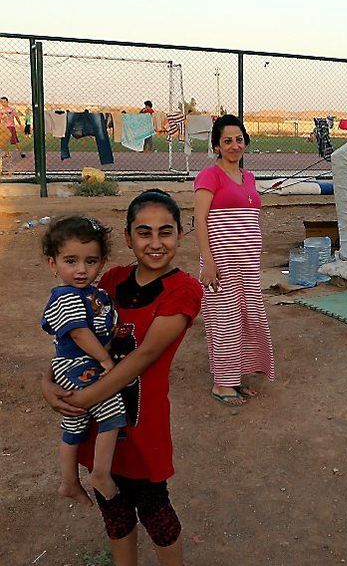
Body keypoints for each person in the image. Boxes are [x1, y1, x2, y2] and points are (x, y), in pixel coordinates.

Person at [41, 189, 202, 566]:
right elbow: (71, 336)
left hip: (142, 425)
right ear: (128, 237)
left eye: (166, 231)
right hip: (102, 430)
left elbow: (145, 355)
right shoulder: (109, 280)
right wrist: (48, 383)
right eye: (144, 232)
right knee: (114, 512)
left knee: (157, 514)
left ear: (181, 234)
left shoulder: (183, 290)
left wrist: (81, 399)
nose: (156, 242)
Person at [42, 217, 125, 504]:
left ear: (102, 262)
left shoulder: (93, 294)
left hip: (80, 364)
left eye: (91, 261)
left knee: (74, 424)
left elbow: (104, 326)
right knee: (112, 408)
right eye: (71, 261)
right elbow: (78, 332)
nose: (81, 269)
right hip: (74, 364)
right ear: (53, 264)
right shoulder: (65, 296)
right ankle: (100, 474)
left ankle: (68, 482)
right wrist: (105, 359)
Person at [194, 114, 275, 406]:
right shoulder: (209, 176)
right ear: (216, 145)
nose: (234, 145)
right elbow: (200, 220)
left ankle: (235, 378)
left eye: (239, 139)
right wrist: (209, 261)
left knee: (246, 320)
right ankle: (222, 385)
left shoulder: (249, 178)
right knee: (224, 322)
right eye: (227, 140)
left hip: (247, 266)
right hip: (221, 265)